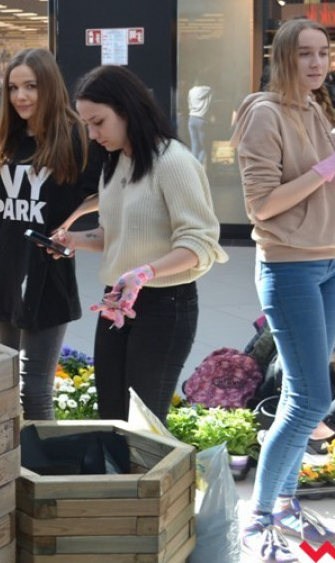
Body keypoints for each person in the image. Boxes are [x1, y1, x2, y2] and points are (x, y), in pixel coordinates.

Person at [54, 65, 226, 424]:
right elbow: (114, 235)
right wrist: (73, 241)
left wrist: (146, 272)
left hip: (166, 305)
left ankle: (151, 480)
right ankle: (117, 480)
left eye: (98, 122)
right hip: (116, 301)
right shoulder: (115, 164)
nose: (92, 133)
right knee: (112, 416)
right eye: (87, 124)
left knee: (144, 421)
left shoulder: (174, 162)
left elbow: (200, 243)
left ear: (127, 109)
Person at [231, 18, 335, 561]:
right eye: (305, 55)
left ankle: (288, 501)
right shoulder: (264, 115)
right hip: (290, 267)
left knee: (302, 394)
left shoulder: (315, 110)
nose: (317, 64)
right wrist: (326, 168)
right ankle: (259, 515)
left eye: (324, 53)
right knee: (314, 398)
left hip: (329, 262)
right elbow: (262, 206)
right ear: (282, 59)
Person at [0, 48, 101, 419]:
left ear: (49, 86)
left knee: (34, 392)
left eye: (31, 86)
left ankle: (40, 472)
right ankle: (14, 468)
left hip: (47, 276)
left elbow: (110, 193)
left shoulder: (74, 137)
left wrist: (70, 224)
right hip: (2, 275)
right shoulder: (4, 139)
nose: (21, 96)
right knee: (10, 386)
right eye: (14, 87)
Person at [187, 81, 211, 164]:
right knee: (205, 146)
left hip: (191, 118)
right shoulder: (209, 89)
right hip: (201, 119)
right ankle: (198, 166)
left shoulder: (191, 91)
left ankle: (194, 166)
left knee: (194, 146)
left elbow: (189, 104)